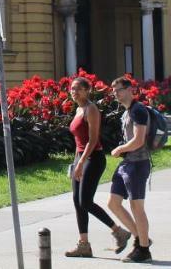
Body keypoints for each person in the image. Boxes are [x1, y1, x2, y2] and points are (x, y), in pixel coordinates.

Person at [64, 77, 132, 258]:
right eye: (72, 88)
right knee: (77, 202)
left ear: (87, 90)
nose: (74, 92)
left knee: (85, 201)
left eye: (78, 89)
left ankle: (119, 232)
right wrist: (76, 162)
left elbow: (93, 141)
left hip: (94, 158)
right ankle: (84, 244)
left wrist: (81, 162)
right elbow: (79, 141)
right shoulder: (78, 109)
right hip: (81, 157)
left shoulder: (91, 109)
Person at [107, 76, 154, 263]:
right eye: (114, 91)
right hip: (126, 164)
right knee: (113, 203)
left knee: (137, 207)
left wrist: (120, 149)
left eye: (118, 90)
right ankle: (142, 239)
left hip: (138, 164)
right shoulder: (127, 112)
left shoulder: (138, 110)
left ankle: (143, 250)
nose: (115, 94)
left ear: (129, 89)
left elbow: (139, 140)